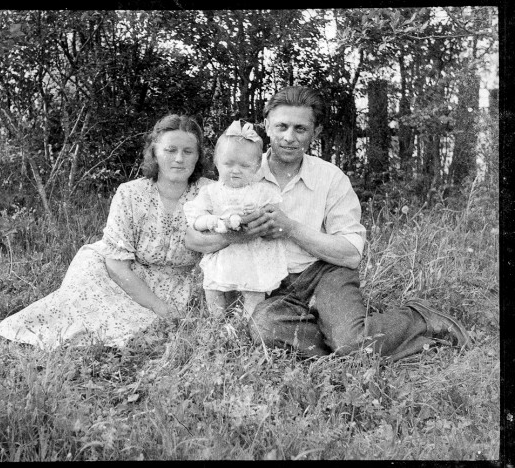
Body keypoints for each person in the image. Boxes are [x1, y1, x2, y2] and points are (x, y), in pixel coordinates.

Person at [185, 86, 470, 360]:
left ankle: (416, 319)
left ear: (316, 132)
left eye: (300, 129)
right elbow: (193, 238)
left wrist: (291, 229)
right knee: (264, 328)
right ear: (267, 126)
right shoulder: (240, 166)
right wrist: (239, 235)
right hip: (273, 285)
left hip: (323, 273)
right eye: (282, 126)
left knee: (350, 341)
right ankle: (352, 332)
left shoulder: (330, 178)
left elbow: (351, 253)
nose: (289, 137)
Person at [0, 114, 211, 349]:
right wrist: (160, 308)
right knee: (80, 306)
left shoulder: (211, 193)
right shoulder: (130, 193)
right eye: (170, 150)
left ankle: (25, 333)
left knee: (137, 330)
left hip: (175, 285)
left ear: (198, 156)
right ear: (155, 153)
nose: (179, 158)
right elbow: (117, 266)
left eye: (188, 151)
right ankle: (0, 336)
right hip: (116, 272)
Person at [183, 120, 287, 319]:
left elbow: (274, 213)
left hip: (252, 254)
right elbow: (195, 218)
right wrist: (211, 221)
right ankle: (217, 322)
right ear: (216, 163)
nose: (235, 170)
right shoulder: (211, 192)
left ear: (257, 167)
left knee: (253, 290)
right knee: (214, 288)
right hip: (222, 254)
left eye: (244, 165)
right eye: (228, 164)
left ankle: (248, 322)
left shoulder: (262, 191)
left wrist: (258, 211)